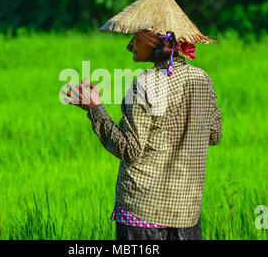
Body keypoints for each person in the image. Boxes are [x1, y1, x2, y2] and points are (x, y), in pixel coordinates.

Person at [61, 28, 222, 240]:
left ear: (155, 43)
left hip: (142, 213)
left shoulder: (145, 83)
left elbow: (129, 149)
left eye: (136, 38)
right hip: (186, 214)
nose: (130, 45)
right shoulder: (203, 79)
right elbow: (214, 135)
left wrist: (94, 107)